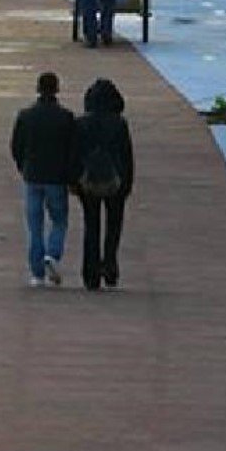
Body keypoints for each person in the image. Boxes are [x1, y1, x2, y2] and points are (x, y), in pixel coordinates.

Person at [10, 71, 78, 288]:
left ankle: (37, 273)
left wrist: (23, 166)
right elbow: (72, 150)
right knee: (59, 221)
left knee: (34, 226)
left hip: (33, 176)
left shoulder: (26, 116)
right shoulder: (66, 117)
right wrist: (71, 176)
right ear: (57, 89)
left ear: (38, 89)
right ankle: (53, 254)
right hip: (57, 178)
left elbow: (16, 146)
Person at [73, 78, 134, 291]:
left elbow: (74, 155)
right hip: (115, 179)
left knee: (91, 225)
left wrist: (74, 181)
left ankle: (91, 272)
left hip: (88, 180)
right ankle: (109, 264)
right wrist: (127, 184)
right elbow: (127, 156)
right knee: (114, 225)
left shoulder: (80, 123)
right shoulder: (119, 123)